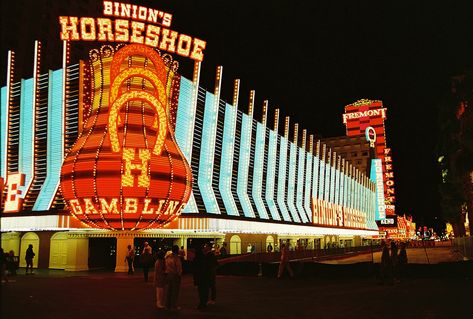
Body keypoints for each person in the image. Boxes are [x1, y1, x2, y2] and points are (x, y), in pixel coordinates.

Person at [193, 245, 211, 310]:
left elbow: (195, 270)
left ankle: (202, 304)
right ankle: (204, 303)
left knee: (201, 292)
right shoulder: (205, 257)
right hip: (205, 277)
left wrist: (195, 280)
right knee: (205, 291)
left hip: (200, 278)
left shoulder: (196, 259)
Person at [165, 245, 182, 311]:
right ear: (177, 250)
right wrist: (179, 274)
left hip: (169, 274)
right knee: (175, 291)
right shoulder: (176, 258)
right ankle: (173, 306)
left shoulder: (168, 257)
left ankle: (167, 305)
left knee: (169, 291)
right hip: (175, 275)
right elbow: (179, 268)